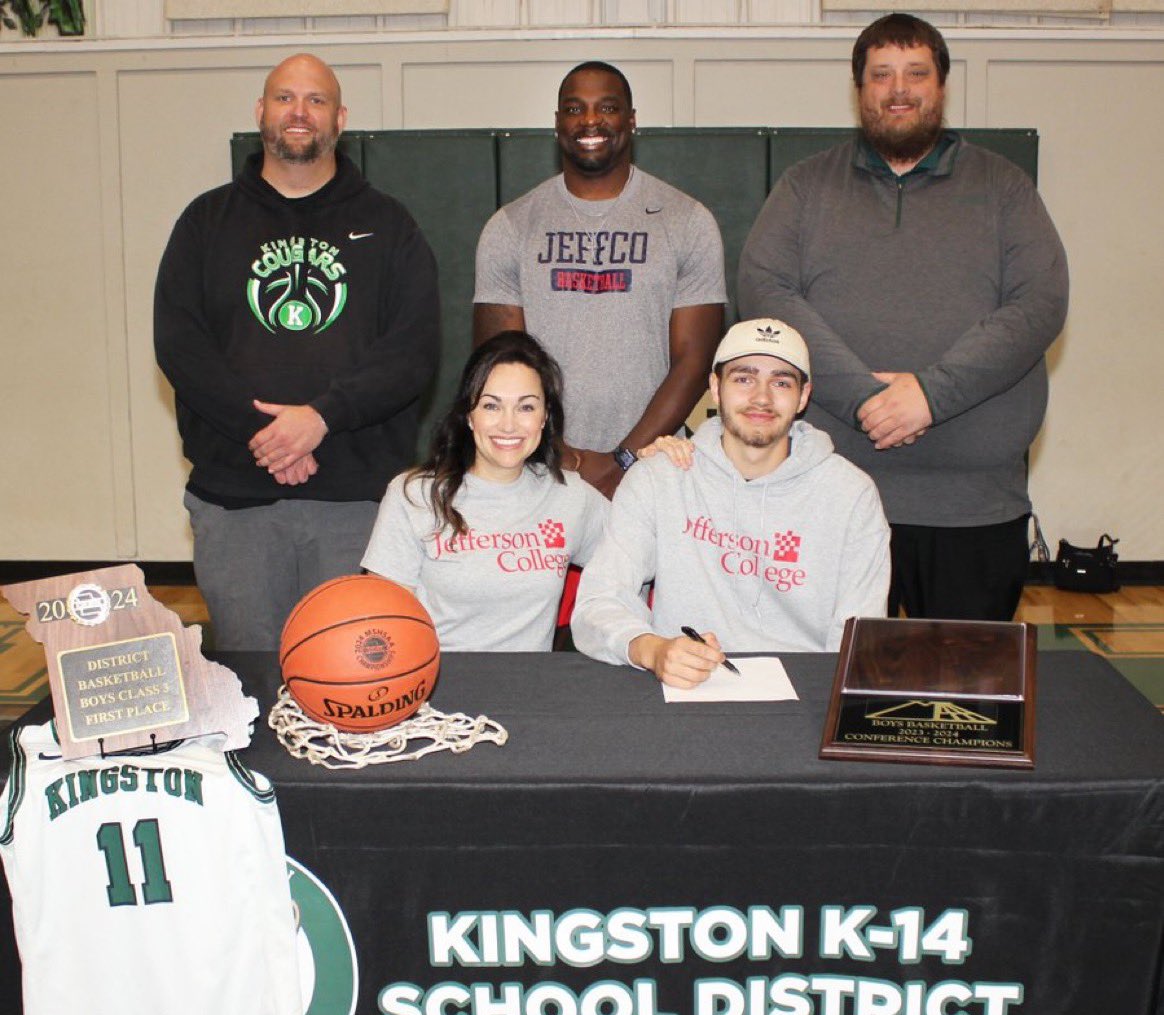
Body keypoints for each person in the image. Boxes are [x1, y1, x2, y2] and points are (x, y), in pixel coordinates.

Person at [738, 13, 1068, 622]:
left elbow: (1039, 303)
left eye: (916, 73)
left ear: (941, 86)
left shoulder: (1004, 188)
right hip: (832, 497)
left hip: (975, 509)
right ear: (858, 88)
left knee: (965, 702)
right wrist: (869, 398)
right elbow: (764, 289)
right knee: (832, 697)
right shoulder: (805, 187)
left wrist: (931, 397)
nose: (899, 89)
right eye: (881, 75)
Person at [154, 53, 439, 651]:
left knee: (351, 679)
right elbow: (180, 344)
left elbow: (412, 350)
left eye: (315, 100)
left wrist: (320, 418)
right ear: (261, 112)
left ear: (340, 118)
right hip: (236, 504)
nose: (299, 112)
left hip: (355, 504)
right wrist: (272, 435)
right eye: (285, 98)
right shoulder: (206, 221)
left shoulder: (389, 224)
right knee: (250, 682)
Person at [571, 319, 890, 689]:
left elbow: (858, 638)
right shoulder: (661, 478)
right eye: (744, 378)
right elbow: (598, 603)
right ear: (715, 388)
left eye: (781, 382)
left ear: (803, 396)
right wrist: (653, 650)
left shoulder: (851, 495)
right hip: (682, 687)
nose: (762, 397)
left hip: (805, 695)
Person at [473, 60, 726, 500]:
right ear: (557, 125)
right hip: (537, 470)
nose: (590, 120)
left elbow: (694, 361)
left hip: (655, 468)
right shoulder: (511, 226)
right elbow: (499, 367)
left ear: (631, 121)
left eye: (607, 107)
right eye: (575, 109)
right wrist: (561, 456)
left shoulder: (687, 221)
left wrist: (622, 460)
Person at [361, 331, 608, 652]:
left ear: (545, 416)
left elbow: (649, 550)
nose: (508, 425)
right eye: (491, 406)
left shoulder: (571, 496)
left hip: (532, 693)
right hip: (437, 688)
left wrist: (659, 467)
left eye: (526, 407)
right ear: (468, 415)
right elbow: (382, 627)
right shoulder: (414, 495)